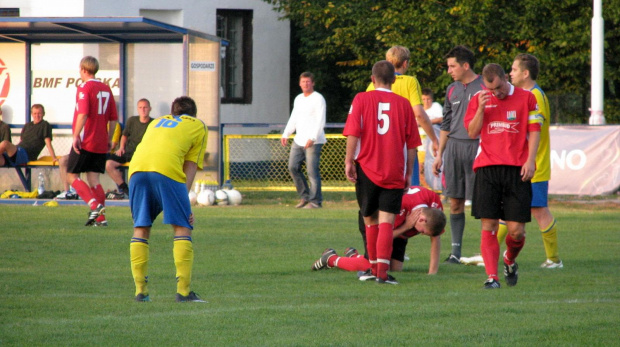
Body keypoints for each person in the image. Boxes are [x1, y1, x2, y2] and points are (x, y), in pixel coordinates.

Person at [464, 63, 542, 289]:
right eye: (490, 90)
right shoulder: (480, 98)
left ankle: (509, 260)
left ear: (505, 78)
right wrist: (480, 108)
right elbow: (471, 132)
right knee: (488, 224)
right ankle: (492, 277)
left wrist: (530, 160)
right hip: (487, 168)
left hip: (517, 169)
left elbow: (535, 131)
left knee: (517, 231)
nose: (495, 94)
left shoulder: (526, 98)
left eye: (498, 88)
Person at [343, 60, 421, 284]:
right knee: (387, 220)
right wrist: (408, 173)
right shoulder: (404, 104)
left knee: (370, 220)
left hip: (367, 167)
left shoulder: (361, 98)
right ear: (394, 80)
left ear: (372, 79)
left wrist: (349, 161)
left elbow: (353, 132)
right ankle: (382, 274)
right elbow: (412, 143)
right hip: (394, 169)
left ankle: (372, 268)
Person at [128, 96, 207, 303]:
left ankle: (141, 292)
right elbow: (190, 165)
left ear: (173, 112)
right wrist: (185, 205)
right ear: (194, 114)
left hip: (136, 170)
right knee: (182, 227)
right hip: (165, 170)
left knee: (141, 226)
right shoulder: (198, 125)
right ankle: (183, 292)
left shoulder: (157, 122)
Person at [505, 53, 562, 269]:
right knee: (507, 208)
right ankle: (490, 253)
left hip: (533, 164)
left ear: (525, 73)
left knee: (539, 210)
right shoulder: (527, 94)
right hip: (524, 163)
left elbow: (533, 132)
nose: (510, 73)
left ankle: (554, 259)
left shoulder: (535, 96)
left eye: (514, 69)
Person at [312, 186, 446, 276]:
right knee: (372, 266)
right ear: (421, 219)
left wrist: (432, 273)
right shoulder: (401, 205)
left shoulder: (433, 205)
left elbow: (436, 237)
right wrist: (406, 226)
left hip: (398, 231)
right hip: (374, 222)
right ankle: (330, 258)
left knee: (394, 270)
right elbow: (381, 236)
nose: (421, 234)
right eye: (423, 231)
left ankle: (353, 256)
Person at [432, 45, 484, 265]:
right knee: (454, 202)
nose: (449, 70)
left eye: (452, 66)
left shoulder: (485, 85)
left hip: (478, 148)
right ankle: (455, 252)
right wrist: (439, 154)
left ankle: (486, 253)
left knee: (484, 205)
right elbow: (446, 123)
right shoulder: (452, 89)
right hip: (453, 148)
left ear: (465, 65)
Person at [367, 46, 438, 186]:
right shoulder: (410, 81)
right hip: (403, 144)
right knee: (409, 187)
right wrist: (434, 139)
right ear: (405, 63)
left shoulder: (372, 85)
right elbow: (419, 114)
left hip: (379, 145)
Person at [66, 56, 118, 226]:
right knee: (94, 179)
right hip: (101, 140)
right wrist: (109, 139)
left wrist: (76, 136)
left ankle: (94, 205)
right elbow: (113, 118)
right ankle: (101, 219)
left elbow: (83, 113)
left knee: (71, 176)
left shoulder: (84, 87)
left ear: (83, 69)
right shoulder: (106, 88)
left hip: (86, 140)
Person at [281, 72, 327, 209]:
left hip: (313, 141)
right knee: (293, 167)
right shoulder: (298, 99)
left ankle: (315, 201)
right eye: (303, 82)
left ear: (313, 83)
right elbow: (294, 117)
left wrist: (312, 138)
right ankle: (304, 197)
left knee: (312, 171)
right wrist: (286, 133)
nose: (306, 84)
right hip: (299, 139)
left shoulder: (318, 99)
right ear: (300, 83)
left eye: (308, 82)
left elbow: (320, 120)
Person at [56, 122, 122, 200]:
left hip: (102, 153)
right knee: (63, 160)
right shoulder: (92, 123)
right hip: (87, 150)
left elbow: (112, 145)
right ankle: (67, 191)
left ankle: (85, 196)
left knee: (86, 169)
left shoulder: (113, 124)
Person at [105, 98, 153, 199]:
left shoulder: (154, 123)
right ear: (137, 109)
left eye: (145, 107)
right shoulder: (132, 120)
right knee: (109, 164)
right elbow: (124, 135)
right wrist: (121, 148)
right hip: (128, 151)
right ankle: (126, 190)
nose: (143, 110)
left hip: (143, 155)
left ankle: (147, 193)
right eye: (140, 107)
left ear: (150, 109)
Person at [0, 104, 58, 169]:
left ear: (43, 114)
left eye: (39, 113)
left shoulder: (45, 125)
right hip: (16, 152)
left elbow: (48, 143)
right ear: (32, 114)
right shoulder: (28, 125)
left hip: (26, 154)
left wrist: (54, 157)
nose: (37, 116)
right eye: (35, 113)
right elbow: (22, 141)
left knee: (5, 144)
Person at [421, 88, 443, 192]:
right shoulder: (419, 109)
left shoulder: (436, 107)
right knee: (421, 168)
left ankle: (438, 190)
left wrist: (426, 122)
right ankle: (427, 190)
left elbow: (441, 118)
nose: (426, 102)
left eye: (428, 99)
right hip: (421, 144)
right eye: (424, 99)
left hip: (434, 143)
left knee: (434, 166)